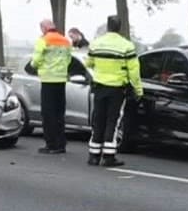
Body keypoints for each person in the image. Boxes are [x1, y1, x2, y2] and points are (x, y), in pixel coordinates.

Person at [85, 15, 142, 168]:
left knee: (98, 120)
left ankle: (93, 156)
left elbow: (88, 63)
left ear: (108, 27)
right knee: (113, 121)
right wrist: (138, 90)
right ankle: (108, 156)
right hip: (117, 88)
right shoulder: (126, 46)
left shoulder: (96, 44)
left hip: (99, 87)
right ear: (120, 27)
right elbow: (134, 71)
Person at [28, 18, 73, 155]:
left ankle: (51, 144)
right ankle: (61, 143)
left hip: (48, 80)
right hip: (61, 80)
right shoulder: (65, 40)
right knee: (59, 113)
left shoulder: (43, 40)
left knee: (48, 114)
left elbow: (35, 60)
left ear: (43, 28)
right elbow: (69, 59)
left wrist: (34, 66)